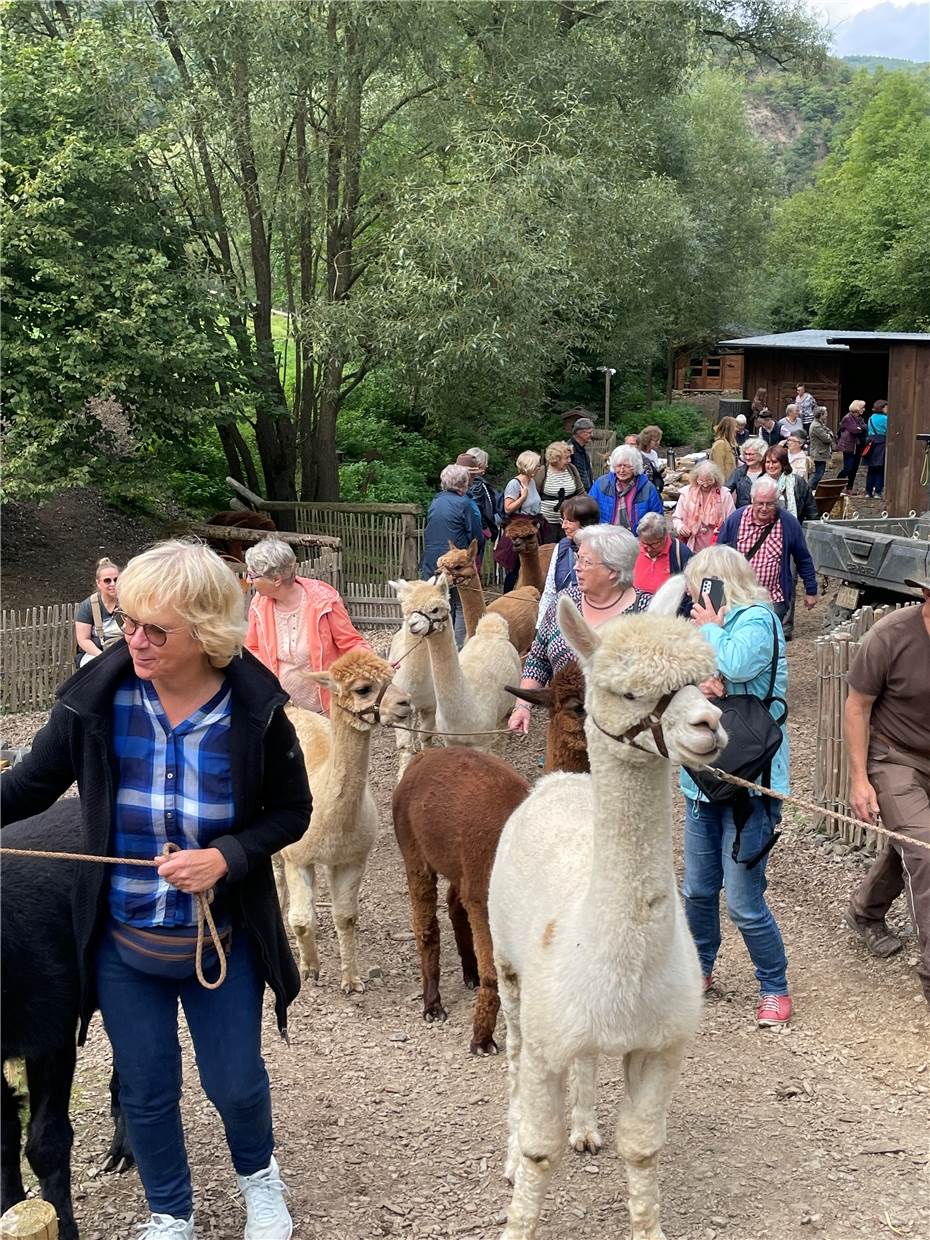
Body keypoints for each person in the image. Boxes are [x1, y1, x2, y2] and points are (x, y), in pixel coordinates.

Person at [1, 540, 312, 1240]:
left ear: (205, 633)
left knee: (234, 1084)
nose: (134, 641)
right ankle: (171, 1212)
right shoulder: (97, 703)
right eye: (128, 622)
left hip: (219, 939)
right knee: (145, 1092)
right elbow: (29, 787)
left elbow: (294, 813)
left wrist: (225, 857)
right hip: (123, 940)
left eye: (156, 631)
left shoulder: (254, 714)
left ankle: (260, 1183)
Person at [679, 544, 792, 1027]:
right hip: (704, 778)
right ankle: (698, 968)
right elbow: (692, 673)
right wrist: (704, 678)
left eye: (697, 585)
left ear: (715, 582)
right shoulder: (716, 624)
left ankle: (774, 985)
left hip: (752, 781)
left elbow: (740, 666)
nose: (691, 595)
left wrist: (709, 630)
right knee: (699, 889)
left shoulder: (757, 619)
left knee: (743, 901)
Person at [844, 577, 930, 1009]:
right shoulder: (891, 636)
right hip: (895, 757)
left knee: (909, 846)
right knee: (926, 849)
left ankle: (865, 910)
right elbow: (857, 706)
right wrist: (860, 780)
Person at [508, 524, 649, 735]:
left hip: (625, 737)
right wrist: (522, 706)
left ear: (614, 570)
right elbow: (538, 659)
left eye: (586, 561)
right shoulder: (564, 603)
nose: (576, 567)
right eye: (578, 558)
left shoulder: (647, 612)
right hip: (566, 732)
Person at [245, 535, 369, 712]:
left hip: (322, 708)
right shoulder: (258, 604)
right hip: (282, 709)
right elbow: (252, 648)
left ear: (276, 579)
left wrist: (373, 663)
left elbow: (350, 642)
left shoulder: (324, 600)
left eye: (252, 575)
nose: (249, 581)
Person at [716, 475, 818, 631]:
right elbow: (718, 556)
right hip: (738, 595)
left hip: (773, 597)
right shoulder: (735, 520)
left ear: (777, 502)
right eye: (760, 503)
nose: (764, 508)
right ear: (752, 500)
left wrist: (811, 590)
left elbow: (803, 558)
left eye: (769, 504)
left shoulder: (788, 523)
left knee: (766, 640)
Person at [418, 464, 483, 645]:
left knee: (437, 604)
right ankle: (460, 648)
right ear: (464, 484)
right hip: (455, 564)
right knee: (461, 605)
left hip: (432, 562)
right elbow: (476, 536)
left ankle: (434, 646)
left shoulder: (435, 502)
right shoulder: (465, 504)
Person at [536, 494, 601, 624]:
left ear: (585, 524)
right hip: (564, 620)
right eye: (562, 520)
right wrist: (540, 626)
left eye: (569, 521)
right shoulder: (562, 547)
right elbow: (550, 591)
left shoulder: (603, 550)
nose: (563, 526)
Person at [589, 444, 663, 533]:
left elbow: (657, 519)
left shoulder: (648, 488)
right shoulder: (601, 484)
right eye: (618, 465)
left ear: (635, 466)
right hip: (605, 537)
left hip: (637, 539)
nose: (621, 470)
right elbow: (589, 511)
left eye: (627, 466)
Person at [674, 460, 736, 552]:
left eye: (709, 481)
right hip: (692, 544)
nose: (705, 485)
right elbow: (677, 518)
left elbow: (732, 521)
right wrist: (680, 527)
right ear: (695, 478)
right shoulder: (686, 493)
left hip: (717, 545)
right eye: (701, 481)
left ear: (716, 479)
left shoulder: (724, 494)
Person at [75, 557, 123, 668]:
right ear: (98, 583)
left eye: (116, 580)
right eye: (107, 580)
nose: (113, 584)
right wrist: (103, 657)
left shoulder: (127, 602)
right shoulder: (89, 606)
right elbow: (83, 640)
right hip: (96, 652)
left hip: (123, 649)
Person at [534, 441, 584, 544]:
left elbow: (581, 492)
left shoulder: (572, 470)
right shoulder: (543, 472)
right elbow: (534, 495)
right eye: (566, 458)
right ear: (556, 459)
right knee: (548, 551)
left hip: (569, 523)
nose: (569, 460)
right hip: (547, 523)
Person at [633, 512, 692, 595]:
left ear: (664, 537)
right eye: (644, 544)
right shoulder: (633, 549)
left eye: (653, 544)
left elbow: (691, 590)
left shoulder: (681, 553)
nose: (648, 549)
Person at [763, 443, 818, 523]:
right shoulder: (760, 483)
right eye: (768, 462)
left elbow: (811, 509)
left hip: (794, 527)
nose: (771, 466)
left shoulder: (797, 482)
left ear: (783, 463)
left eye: (774, 462)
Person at [465, 446, 499, 548]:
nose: (486, 468)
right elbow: (479, 508)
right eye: (485, 465)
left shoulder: (463, 482)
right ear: (478, 465)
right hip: (479, 530)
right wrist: (486, 529)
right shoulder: (477, 484)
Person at [725, 437, 767, 508]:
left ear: (761, 454)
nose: (747, 457)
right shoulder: (739, 472)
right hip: (742, 512)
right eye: (746, 454)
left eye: (751, 454)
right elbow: (726, 491)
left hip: (763, 512)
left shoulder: (768, 472)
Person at [837, 399, 868, 493]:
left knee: (854, 468)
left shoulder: (859, 418)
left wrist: (860, 428)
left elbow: (865, 428)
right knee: (848, 468)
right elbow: (854, 430)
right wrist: (860, 429)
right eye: (862, 407)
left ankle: (849, 488)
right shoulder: (848, 418)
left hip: (858, 446)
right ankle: (837, 484)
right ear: (857, 408)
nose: (864, 409)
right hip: (849, 446)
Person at [808, 406, 836, 491]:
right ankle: (809, 489)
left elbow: (828, 431)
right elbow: (827, 438)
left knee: (820, 472)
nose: (827, 415)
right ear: (821, 415)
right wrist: (830, 434)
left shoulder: (820, 424)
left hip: (821, 452)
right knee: (818, 473)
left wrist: (829, 433)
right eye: (825, 413)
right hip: (818, 453)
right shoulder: (816, 426)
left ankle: (813, 489)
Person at [864, 399, 888, 499]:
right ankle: (878, 491)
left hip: (871, 443)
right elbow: (888, 430)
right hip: (881, 443)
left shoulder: (871, 418)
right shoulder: (886, 419)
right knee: (880, 468)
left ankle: (868, 492)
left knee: (871, 469)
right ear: (882, 408)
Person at [568, 416, 595, 491]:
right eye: (589, 432)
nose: (592, 435)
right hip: (576, 494)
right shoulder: (569, 450)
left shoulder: (582, 449)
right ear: (580, 433)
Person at [637, 425, 665, 490]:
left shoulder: (654, 453)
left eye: (659, 440)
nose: (658, 443)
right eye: (655, 440)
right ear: (647, 440)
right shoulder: (638, 454)